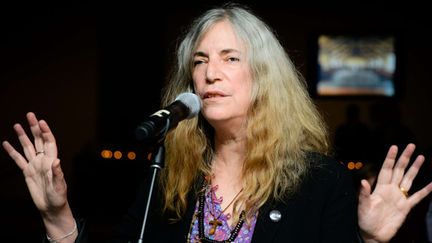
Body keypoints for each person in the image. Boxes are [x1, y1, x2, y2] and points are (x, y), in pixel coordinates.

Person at [3, 4, 432, 243]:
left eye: (230, 59)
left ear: (264, 77)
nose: (210, 74)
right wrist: (57, 216)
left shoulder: (321, 181)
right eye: (201, 61)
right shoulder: (171, 171)